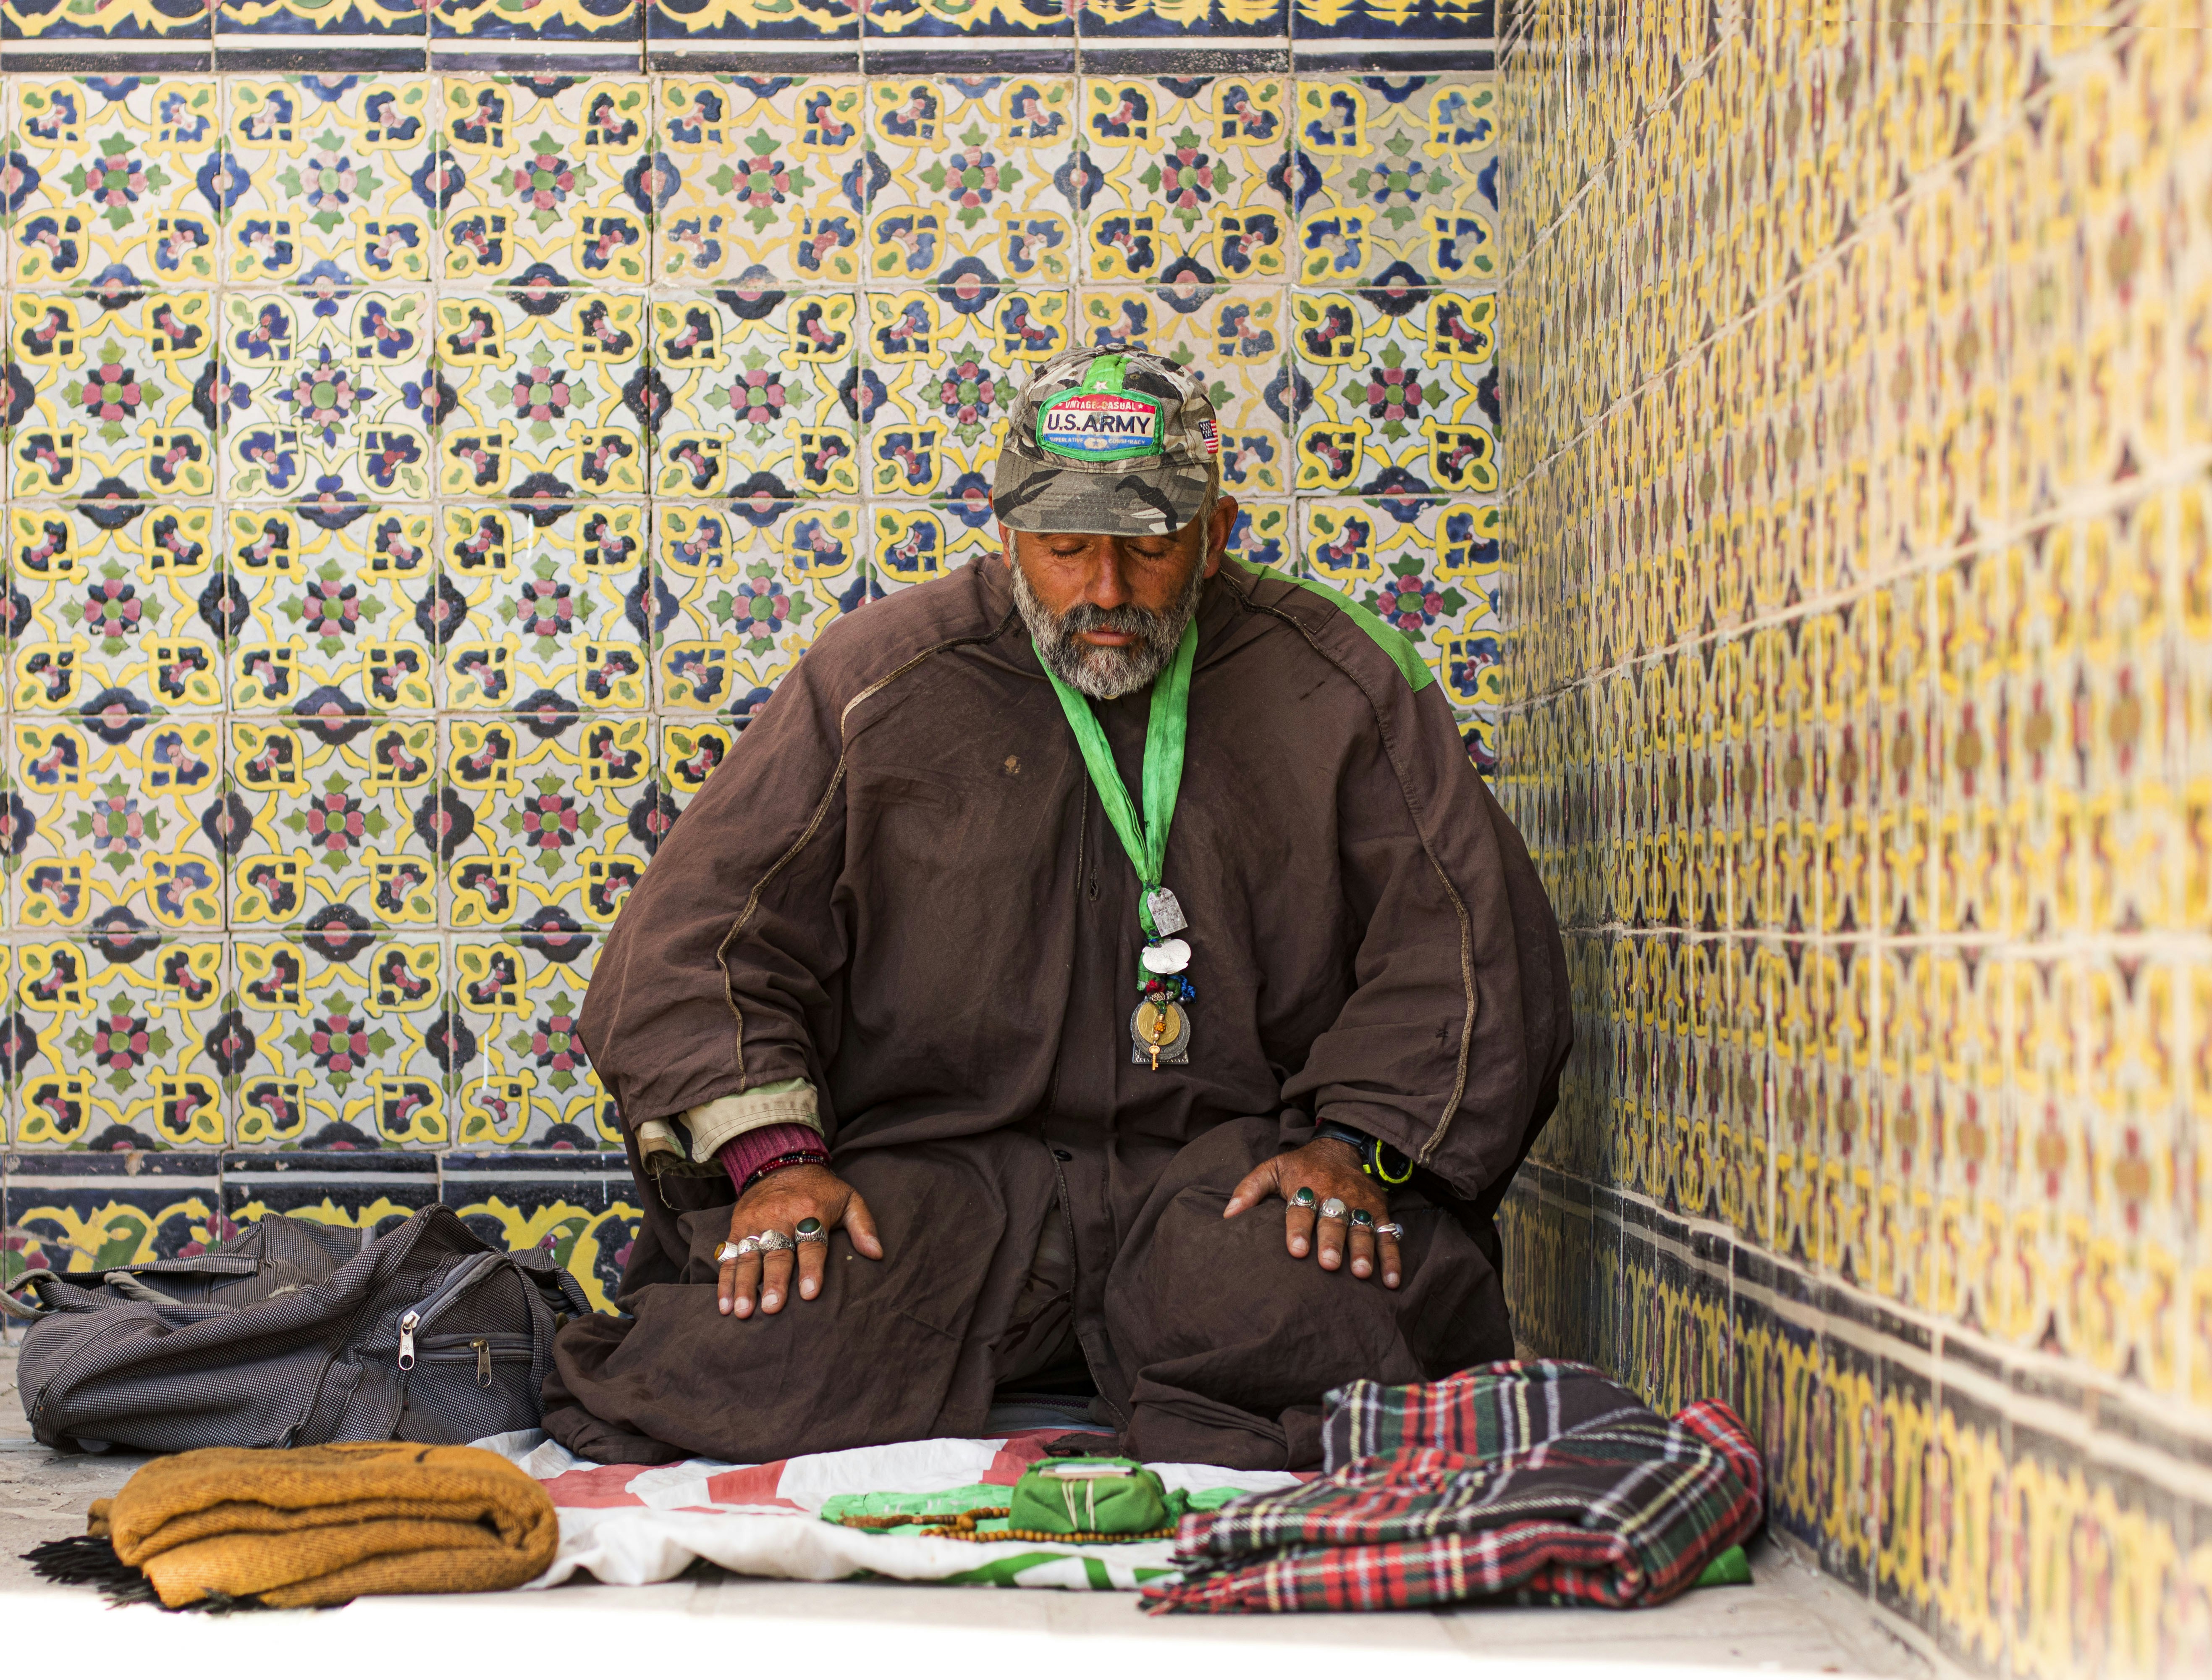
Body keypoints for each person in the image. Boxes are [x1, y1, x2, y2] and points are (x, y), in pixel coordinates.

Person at [543, 343, 1571, 1471]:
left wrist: (1355, 1152)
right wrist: (777, 1161)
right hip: (936, 1187)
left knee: (1318, 1310)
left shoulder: (1342, 681)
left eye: (1147, 546)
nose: (1105, 592)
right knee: (774, 1344)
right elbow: (699, 942)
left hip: (1231, 1176)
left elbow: (1469, 946)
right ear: (1006, 535)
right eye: (1065, 548)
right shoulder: (879, 676)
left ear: (1215, 533)